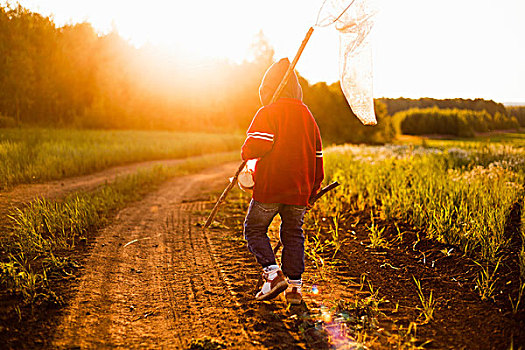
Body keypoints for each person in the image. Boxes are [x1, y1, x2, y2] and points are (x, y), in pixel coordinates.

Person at [241, 58, 324, 304]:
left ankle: (273, 273)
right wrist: (313, 189)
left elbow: (256, 146)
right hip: (299, 192)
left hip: (271, 188)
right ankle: (295, 289)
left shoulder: (268, 112)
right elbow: (317, 157)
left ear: (268, 88)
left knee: (254, 229)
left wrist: (245, 152)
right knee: (293, 235)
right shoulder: (308, 116)